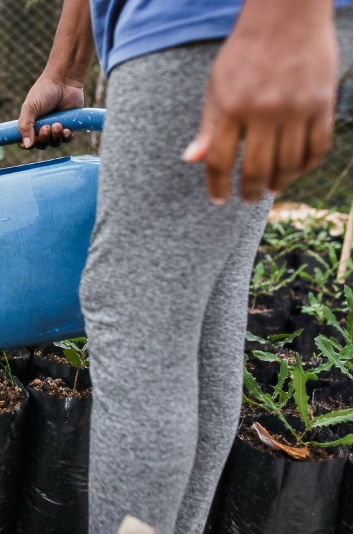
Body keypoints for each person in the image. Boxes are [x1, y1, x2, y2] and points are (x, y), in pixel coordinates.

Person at [17, 1, 352, 532]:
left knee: (136, 315)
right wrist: (65, 69)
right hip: (211, 26)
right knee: (197, 322)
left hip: (210, 23)